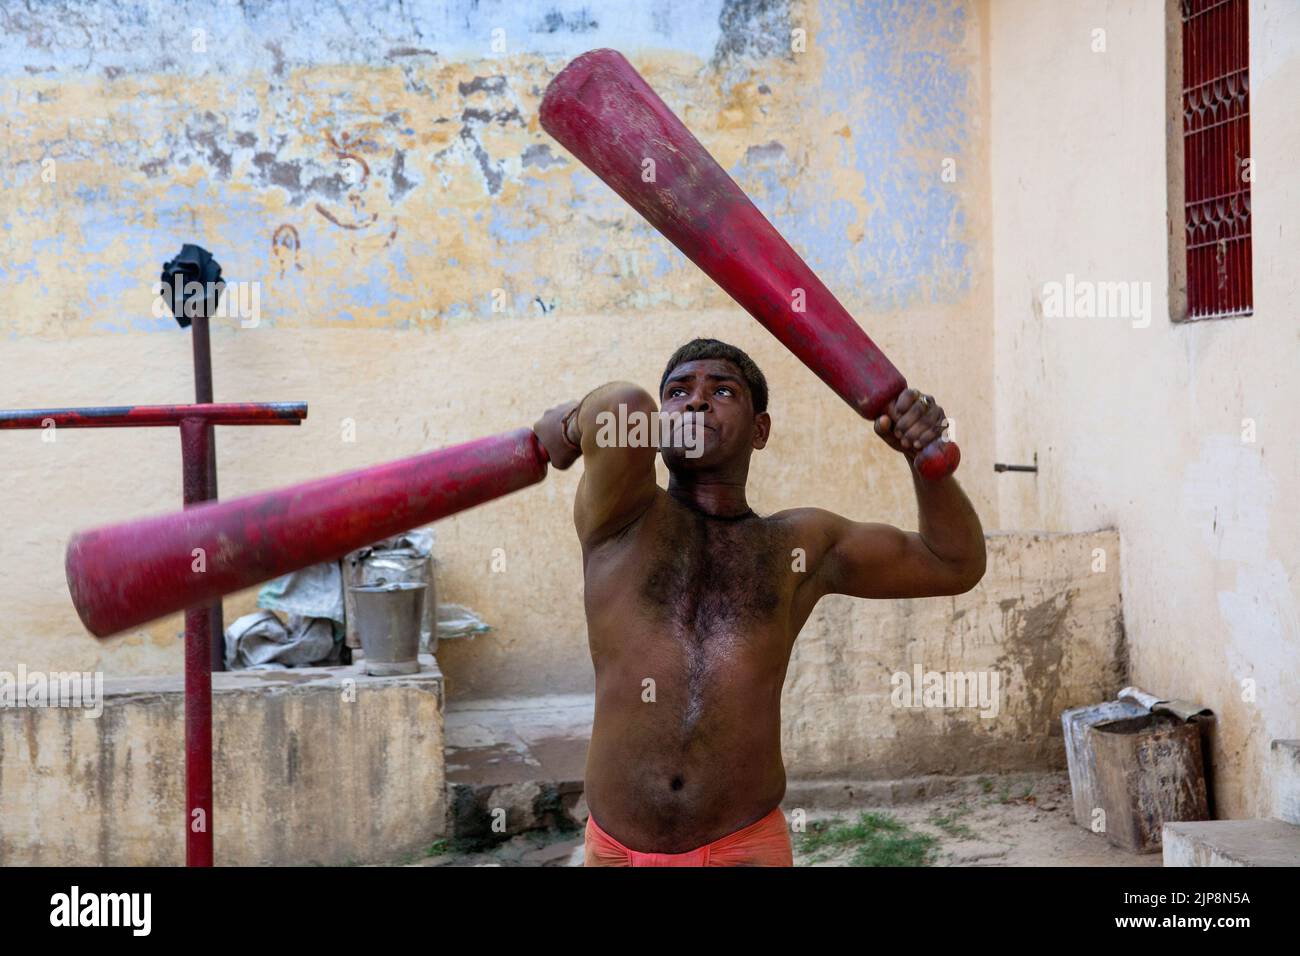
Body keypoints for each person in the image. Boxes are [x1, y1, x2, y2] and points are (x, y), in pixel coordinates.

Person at [532, 338, 986, 866]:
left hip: (743, 848)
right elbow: (621, 407)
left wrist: (923, 461)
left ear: (761, 431)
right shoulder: (619, 518)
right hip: (614, 851)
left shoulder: (799, 545)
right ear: (655, 429)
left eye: (721, 390)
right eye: (678, 392)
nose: (696, 402)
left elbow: (954, 563)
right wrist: (569, 424)